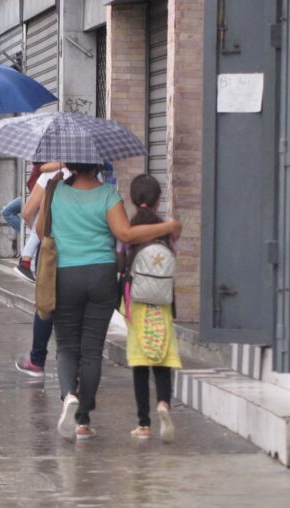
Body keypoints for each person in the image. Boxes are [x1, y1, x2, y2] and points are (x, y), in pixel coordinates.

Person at [36, 162, 181, 441]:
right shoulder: (108, 195)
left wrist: (52, 191)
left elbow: (43, 231)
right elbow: (125, 234)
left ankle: (69, 395)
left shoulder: (55, 191)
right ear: (96, 166)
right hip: (101, 277)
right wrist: (168, 226)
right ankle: (83, 421)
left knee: (66, 346)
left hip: (64, 276)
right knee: (92, 350)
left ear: (71, 164)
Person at [120, 174, 181, 443]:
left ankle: (143, 424)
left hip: (136, 303)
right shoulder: (168, 230)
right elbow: (174, 250)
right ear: (158, 201)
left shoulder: (128, 231)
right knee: (163, 358)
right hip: (163, 302)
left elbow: (120, 259)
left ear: (133, 200)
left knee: (140, 363)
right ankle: (164, 403)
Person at [14, 163, 72, 378]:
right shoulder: (96, 178)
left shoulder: (51, 175)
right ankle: (72, 363)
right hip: (83, 257)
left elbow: (27, 212)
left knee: (45, 304)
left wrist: (39, 237)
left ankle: (37, 360)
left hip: (52, 252)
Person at [15, 162, 62, 282]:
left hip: (50, 247)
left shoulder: (49, 172)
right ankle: (26, 261)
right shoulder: (95, 180)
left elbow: (27, 213)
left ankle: (26, 261)